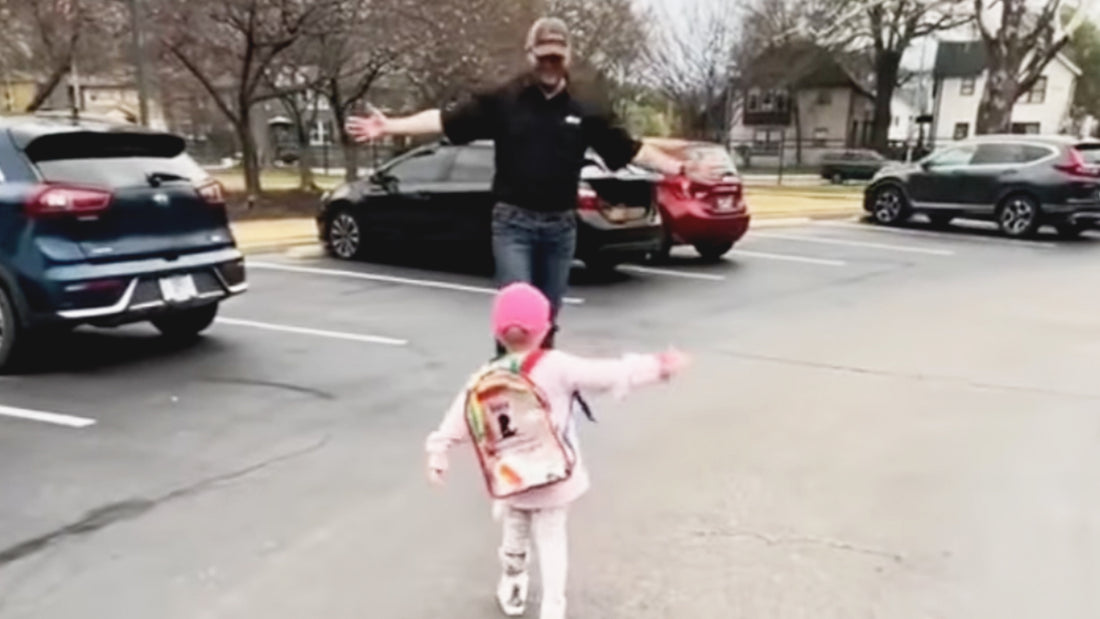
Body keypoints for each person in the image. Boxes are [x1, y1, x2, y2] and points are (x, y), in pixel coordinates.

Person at [348, 16, 724, 354]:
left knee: (545, 320)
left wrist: (679, 168)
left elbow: (632, 149)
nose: (549, 64)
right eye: (542, 56)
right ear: (530, 54)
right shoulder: (504, 100)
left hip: (560, 227)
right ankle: (506, 396)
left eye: (556, 57)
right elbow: (445, 120)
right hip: (514, 225)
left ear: (568, 57)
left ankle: (540, 399)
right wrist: (391, 125)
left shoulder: (585, 108)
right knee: (516, 318)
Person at [424, 282, 689, 619]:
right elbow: (610, 374)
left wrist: (439, 450)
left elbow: (461, 415)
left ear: (496, 331)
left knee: (514, 534)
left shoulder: (486, 376)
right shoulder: (558, 366)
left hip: (512, 479)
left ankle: (513, 584)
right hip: (553, 477)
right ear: (546, 328)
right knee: (552, 543)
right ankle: (553, 607)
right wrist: (659, 367)